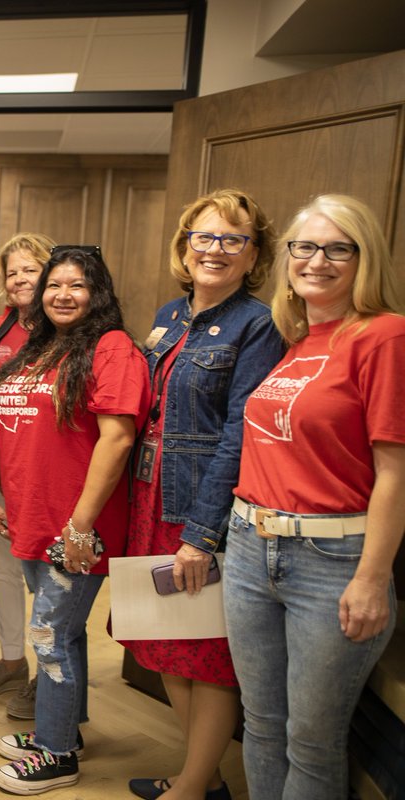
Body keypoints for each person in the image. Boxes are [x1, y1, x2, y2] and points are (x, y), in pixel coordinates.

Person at [225, 194, 405, 800]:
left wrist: (373, 578)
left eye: (337, 248)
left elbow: (396, 474)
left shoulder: (384, 337)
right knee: (262, 725)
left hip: (330, 564)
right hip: (251, 550)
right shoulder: (296, 339)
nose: (316, 261)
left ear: (364, 259)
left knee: (312, 740)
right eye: (304, 247)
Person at [120, 189, 284, 800]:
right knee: (162, 644)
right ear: (185, 247)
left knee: (203, 655)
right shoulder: (169, 313)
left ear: (253, 254)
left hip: (195, 508)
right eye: (204, 237)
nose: (215, 250)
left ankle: (193, 787)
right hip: (147, 497)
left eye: (232, 239)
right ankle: (204, 776)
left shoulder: (257, 324)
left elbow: (240, 433)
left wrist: (201, 534)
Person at [0, 246, 148, 794]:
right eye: (55, 285)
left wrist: (79, 526)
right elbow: (10, 425)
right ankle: (63, 732)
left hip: (76, 530)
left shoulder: (112, 348)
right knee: (63, 635)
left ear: (98, 293)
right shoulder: (40, 349)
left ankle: (55, 756)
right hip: (33, 519)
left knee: (49, 636)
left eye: (77, 285)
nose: (63, 295)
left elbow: (118, 437)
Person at [0, 232, 55, 717]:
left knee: (45, 579)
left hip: (46, 478)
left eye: (30, 269)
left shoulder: (69, 329)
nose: (20, 279)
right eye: (12, 272)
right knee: (3, 572)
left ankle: (49, 674)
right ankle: (11, 661)